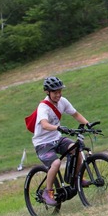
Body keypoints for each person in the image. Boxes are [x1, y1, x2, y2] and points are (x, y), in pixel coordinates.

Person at [32, 76, 90, 206]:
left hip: (56, 138)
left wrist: (88, 124)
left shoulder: (63, 101)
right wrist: (58, 127)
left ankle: (76, 179)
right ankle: (47, 191)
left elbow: (76, 114)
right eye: (55, 92)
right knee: (56, 163)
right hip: (42, 143)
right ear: (47, 92)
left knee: (76, 148)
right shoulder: (43, 107)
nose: (58, 94)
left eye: (60, 91)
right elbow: (45, 125)